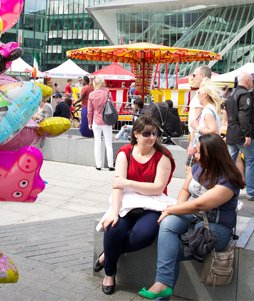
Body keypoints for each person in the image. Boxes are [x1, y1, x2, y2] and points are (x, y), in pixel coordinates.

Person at [139, 134, 245, 300]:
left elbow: (200, 204)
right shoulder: (198, 167)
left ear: (213, 155)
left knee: (171, 249)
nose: (195, 154)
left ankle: (161, 289)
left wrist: (173, 209)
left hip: (216, 227)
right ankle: (162, 285)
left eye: (200, 152)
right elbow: (185, 190)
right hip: (193, 217)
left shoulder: (228, 179)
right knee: (167, 223)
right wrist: (176, 210)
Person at [94, 115, 176, 295]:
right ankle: (110, 273)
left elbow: (157, 188)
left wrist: (128, 183)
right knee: (113, 228)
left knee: (143, 235)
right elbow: (118, 186)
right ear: (136, 134)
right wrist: (114, 212)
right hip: (127, 203)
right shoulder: (125, 152)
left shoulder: (163, 156)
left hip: (153, 205)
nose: (152, 137)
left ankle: (107, 255)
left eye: (155, 133)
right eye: (147, 133)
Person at [226, 72, 254, 201]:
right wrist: (247, 134)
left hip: (232, 133)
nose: (252, 83)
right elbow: (244, 115)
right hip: (241, 134)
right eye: (251, 81)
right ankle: (252, 191)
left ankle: (226, 187)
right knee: (251, 160)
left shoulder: (231, 94)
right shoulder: (245, 95)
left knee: (230, 161)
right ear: (248, 81)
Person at [185, 66, 210, 174]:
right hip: (203, 138)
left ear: (202, 76)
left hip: (199, 139)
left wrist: (192, 144)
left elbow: (197, 121)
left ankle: (192, 190)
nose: (192, 78)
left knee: (190, 169)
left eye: (194, 75)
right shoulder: (207, 93)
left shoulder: (201, 95)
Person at [87, 76, 115, 170]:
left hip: (96, 121)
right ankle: (110, 165)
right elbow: (112, 108)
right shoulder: (107, 93)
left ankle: (98, 165)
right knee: (109, 144)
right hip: (107, 121)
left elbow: (89, 110)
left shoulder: (91, 94)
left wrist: (89, 122)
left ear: (95, 84)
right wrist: (113, 121)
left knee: (97, 143)